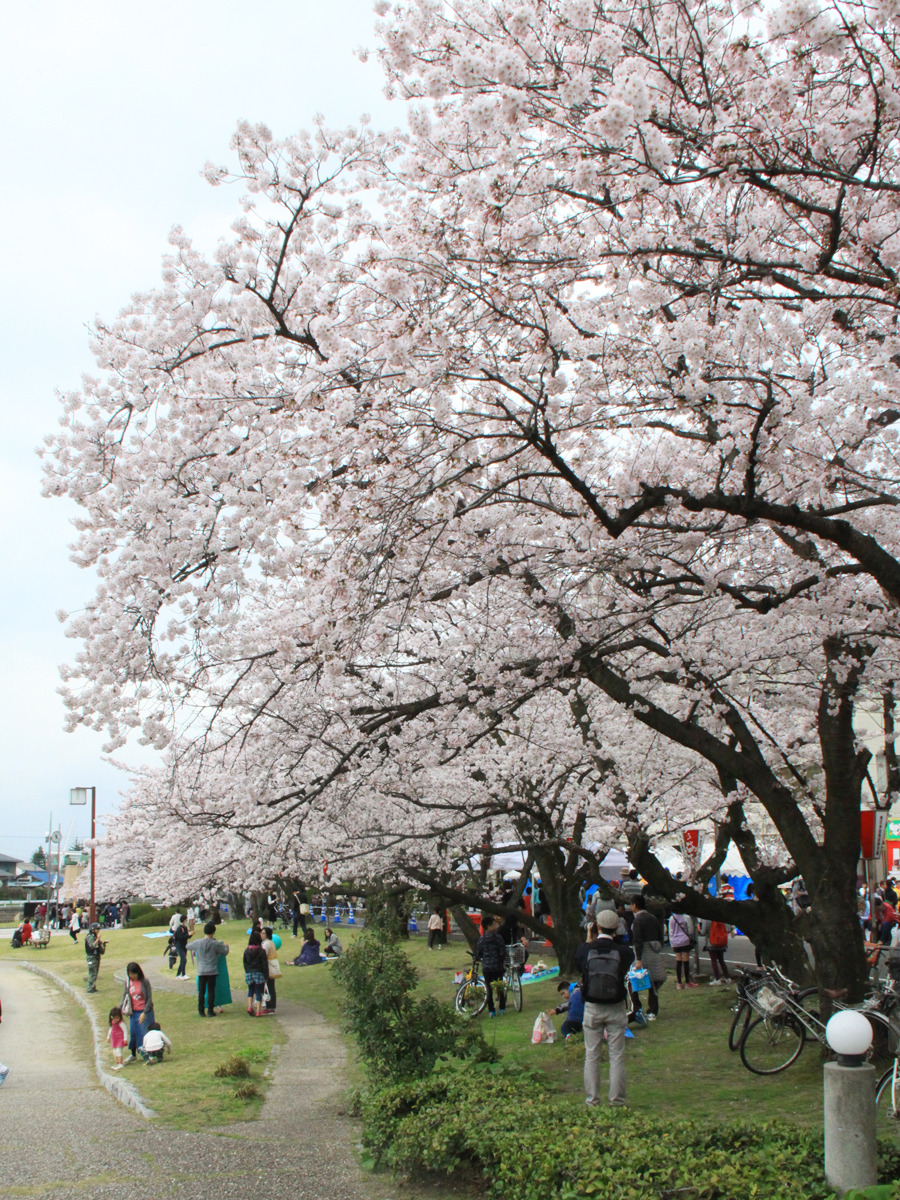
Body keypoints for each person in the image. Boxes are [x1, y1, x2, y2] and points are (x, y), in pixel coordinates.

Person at [575, 911, 634, 1107]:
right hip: (616, 1006)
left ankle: (592, 1100)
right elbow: (629, 959)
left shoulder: (586, 950)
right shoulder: (624, 952)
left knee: (591, 1055)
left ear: (596, 926)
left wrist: (588, 939)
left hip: (593, 1006)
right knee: (616, 1055)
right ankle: (617, 1100)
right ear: (617, 928)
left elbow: (579, 963)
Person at [630, 896, 666, 1020]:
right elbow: (661, 935)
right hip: (655, 951)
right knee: (654, 982)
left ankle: (637, 1007)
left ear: (635, 905)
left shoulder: (638, 920)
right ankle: (652, 1010)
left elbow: (637, 940)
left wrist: (638, 958)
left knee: (632, 981)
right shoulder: (653, 918)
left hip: (643, 953)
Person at [193, 921, 229, 1018]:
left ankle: (201, 1011)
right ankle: (210, 1010)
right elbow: (224, 952)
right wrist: (226, 946)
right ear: (213, 932)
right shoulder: (215, 943)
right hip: (212, 970)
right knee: (211, 990)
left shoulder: (198, 942)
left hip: (201, 970)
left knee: (201, 991)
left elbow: (189, 946)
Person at [474, 915, 507, 1017]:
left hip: (486, 967)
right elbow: (503, 952)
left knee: (489, 989)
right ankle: (502, 1008)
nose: (496, 926)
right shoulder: (498, 938)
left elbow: (479, 953)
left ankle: (491, 1010)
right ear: (488, 926)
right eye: (494, 924)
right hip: (497, 966)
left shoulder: (481, 939)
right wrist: (501, 960)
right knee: (499, 988)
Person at [121, 963, 154, 1062]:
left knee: (145, 1033)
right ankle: (133, 1054)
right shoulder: (128, 982)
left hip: (144, 1012)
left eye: (134, 974)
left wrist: (144, 1012)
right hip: (133, 1012)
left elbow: (149, 999)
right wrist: (120, 1008)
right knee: (133, 1033)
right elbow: (125, 996)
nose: (132, 976)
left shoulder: (145, 982)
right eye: (130, 974)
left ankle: (149, 1053)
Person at [243, 930, 270, 1016]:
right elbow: (264, 964)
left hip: (249, 973)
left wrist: (247, 971)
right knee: (258, 991)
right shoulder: (261, 951)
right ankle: (258, 1010)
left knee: (250, 990)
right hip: (259, 973)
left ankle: (250, 1006)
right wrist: (266, 975)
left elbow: (245, 963)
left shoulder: (246, 950)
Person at [669, 910, 697, 989]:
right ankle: (687, 982)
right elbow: (690, 930)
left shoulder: (672, 918)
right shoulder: (686, 917)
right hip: (685, 941)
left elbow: (670, 931)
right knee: (686, 961)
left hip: (675, 941)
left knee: (678, 962)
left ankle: (679, 983)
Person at [704, 919, 732, 984]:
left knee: (714, 961)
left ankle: (717, 979)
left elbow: (703, 930)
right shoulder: (722, 915)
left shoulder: (707, 917)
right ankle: (727, 978)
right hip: (722, 941)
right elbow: (728, 929)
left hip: (711, 941)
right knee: (721, 960)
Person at [261, 926, 282, 1012]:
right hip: (271, 965)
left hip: (268, 966)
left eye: (263, 933)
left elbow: (263, 955)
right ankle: (270, 1006)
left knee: (268, 987)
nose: (261, 935)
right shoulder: (271, 942)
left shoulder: (266, 943)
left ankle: (269, 1006)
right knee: (270, 986)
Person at [85, 923, 106, 993]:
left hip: (96, 956)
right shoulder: (90, 937)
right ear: (93, 929)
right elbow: (92, 946)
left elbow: (101, 950)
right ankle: (90, 988)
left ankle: (93, 987)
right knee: (92, 972)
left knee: (95, 972)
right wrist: (98, 939)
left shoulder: (95, 937)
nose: (98, 931)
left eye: (99, 929)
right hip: (91, 957)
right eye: (97, 929)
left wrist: (103, 944)